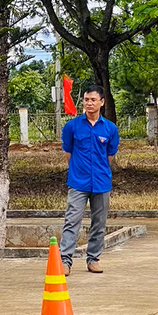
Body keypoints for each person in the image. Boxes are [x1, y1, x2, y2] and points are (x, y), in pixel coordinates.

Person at [60, 85, 120, 275]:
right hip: (78, 182)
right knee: (72, 221)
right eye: (86, 100)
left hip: (101, 182)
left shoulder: (110, 128)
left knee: (99, 223)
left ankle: (93, 258)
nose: (89, 103)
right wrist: (78, 170)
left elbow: (109, 155)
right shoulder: (72, 126)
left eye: (93, 100)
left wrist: (100, 171)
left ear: (102, 102)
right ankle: (65, 261)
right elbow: (68, 152)